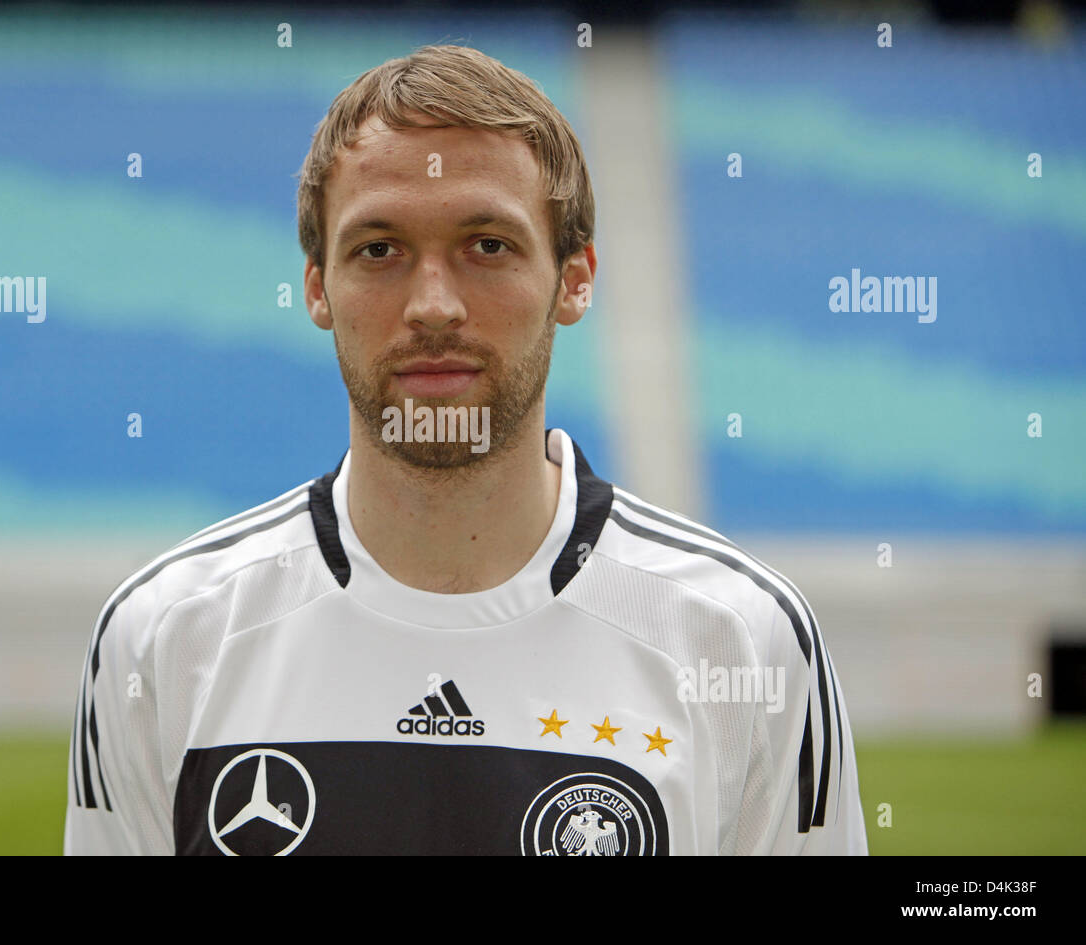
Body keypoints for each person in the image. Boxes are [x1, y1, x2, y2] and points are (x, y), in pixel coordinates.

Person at [64, 43, 867, 855]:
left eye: (488, 245)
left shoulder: (741, 641)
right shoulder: (164, 638)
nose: (434, 306)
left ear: (576, 278)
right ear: (316, 286)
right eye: (379, 249)